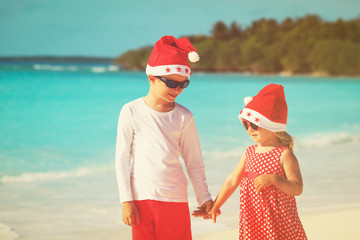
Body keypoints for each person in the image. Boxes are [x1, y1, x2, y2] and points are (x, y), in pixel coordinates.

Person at [115, 35, 212, 240]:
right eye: (171, 83)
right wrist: (126, 201)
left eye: (183, 84)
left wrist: (204, 197)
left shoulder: (184, 116)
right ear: (152, 78)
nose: (177, 90)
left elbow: (193, 161)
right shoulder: (130, 111)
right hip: (141, 198)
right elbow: (122, 159)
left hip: (174, 198)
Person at [193, 83, 307, 239]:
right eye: (246, 124)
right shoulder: (249, 152)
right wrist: (215, 206)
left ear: (273, 126)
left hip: (278, 222)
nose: (250, 129)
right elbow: (232, 181)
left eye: (255, 124)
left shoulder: (284, 154)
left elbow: (297, 188)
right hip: (253, 220)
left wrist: (275, 180)